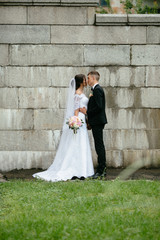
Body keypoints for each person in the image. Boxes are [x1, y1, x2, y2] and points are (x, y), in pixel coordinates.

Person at [33, 74, 94, 182]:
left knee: (81, 142)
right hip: (79, 119)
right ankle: (76, 169)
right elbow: (76, 109)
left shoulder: (82, 93)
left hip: (83, 119)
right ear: (81, 82)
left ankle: (83, 169)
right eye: (85, 79)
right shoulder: (77, 94)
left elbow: (82, 107)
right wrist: (75, 121)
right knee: (77, 142)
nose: (86, 81)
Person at [80, 71, 107, 179]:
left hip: (98, 121)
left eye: (88, 78)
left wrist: (87, 113)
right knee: (98, 145)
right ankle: (101, 170)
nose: (87, 80)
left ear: (93, 78)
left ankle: (101, 170)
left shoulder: (98, 90)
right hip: (95, 121)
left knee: (99, 146)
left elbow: (99, 107)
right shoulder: (94, 90)